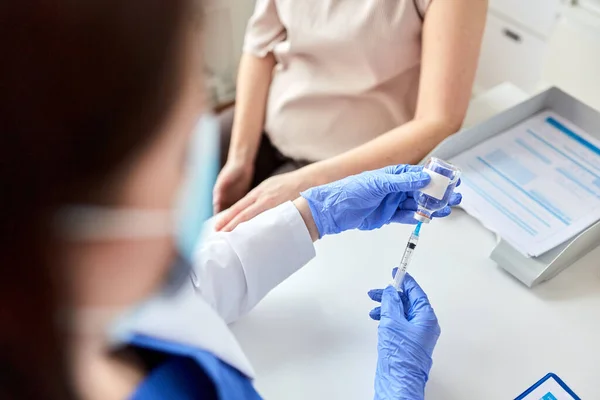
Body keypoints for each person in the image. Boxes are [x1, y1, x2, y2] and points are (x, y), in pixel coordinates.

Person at [0, 1, 459, 399]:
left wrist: (312, 214)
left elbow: (186, 295)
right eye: (182, 150)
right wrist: (400, 388)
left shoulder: (74, 308)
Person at [212, 0, 486, 232]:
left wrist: (308, 185)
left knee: (247, 248)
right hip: (271, 125)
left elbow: (439, 120)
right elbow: (259, 48)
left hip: (352, 168)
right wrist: (240, 158)